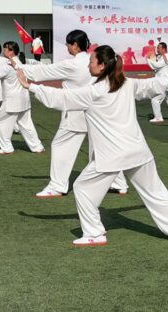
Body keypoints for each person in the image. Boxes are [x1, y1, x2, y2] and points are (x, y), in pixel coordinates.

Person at [23, 45, 168, 246]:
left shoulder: (94, 92)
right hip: (138, 151)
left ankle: (94, 233)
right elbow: (151, 84)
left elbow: (62, 98)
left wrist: (30, 86)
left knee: (82, 188)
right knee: (155, 190)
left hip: (112, 155)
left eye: (92, 61)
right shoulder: (126, 84)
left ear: (102, 66)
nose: (89, 65)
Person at [14, 30, 128, 198]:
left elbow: (44, 72)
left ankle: (57, 185)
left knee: (61, 146)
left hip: (76, 112)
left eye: (68, 44)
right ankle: (118, 183)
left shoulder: (73, 64)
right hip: (100, 112)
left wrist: (17, 65)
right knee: (102, 148)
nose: (67, 47)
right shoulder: (97, 61)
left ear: (75, 45)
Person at [0, 41, 44, 155]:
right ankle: (37, 147)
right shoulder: (20, 62)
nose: (3, 51)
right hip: (24, 99)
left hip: (12, 100)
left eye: (5, 49)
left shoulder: (9, 66)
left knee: (1, 122)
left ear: (11, 52)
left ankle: (6, 148)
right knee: (26, 124)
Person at [146, 42, 168, 123]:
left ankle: (158, 118)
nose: (157, 49)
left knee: (155, 100)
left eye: (158, 48)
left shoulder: (167, 57)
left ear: (163, 49)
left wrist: (148, 59)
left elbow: (156, 66)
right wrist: (151, 59)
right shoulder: (162, 57)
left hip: (163, 83)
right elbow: (156, 67)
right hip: (164, 82)